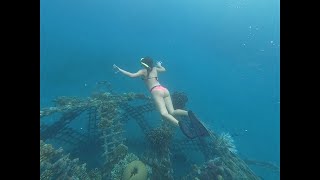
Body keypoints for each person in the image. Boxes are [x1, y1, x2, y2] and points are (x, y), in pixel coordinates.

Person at [113, 57, 209, 139]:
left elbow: (131, 75)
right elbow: (164, 70)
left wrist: (119, 69)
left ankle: (181, 126)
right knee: (172, 111)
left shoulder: (143, 71)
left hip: (156, 91)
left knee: (164, 114)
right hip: (164, 89)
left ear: (144, 64)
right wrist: (159, 65)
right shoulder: (154, 68)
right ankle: (188, 113)